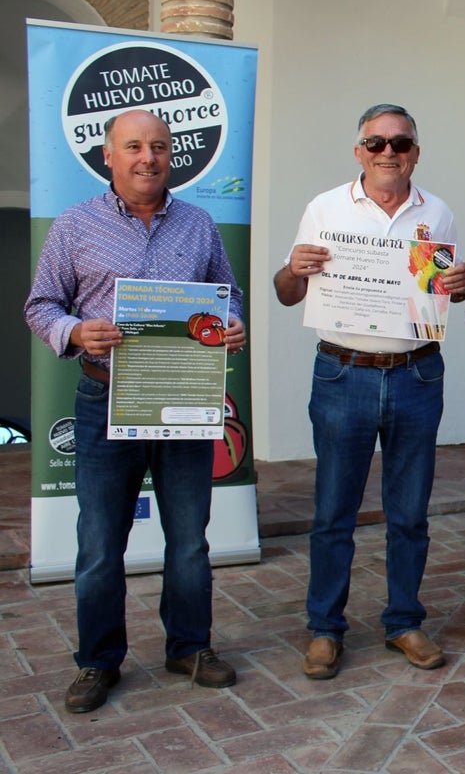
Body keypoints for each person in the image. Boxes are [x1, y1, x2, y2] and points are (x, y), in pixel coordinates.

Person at [24, 109, 246, 713]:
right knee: (99, 542)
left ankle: (190, 646)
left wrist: (233, 323)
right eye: (133, 146)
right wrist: (76, 331)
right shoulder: (74, 226)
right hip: (103, 399)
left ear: (171, 154)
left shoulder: (198, 224)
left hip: (181, 398)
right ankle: (97, 661)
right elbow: (41, 304)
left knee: (189, 539)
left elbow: (230, 294)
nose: (147, 157)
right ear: (109, 156)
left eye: (157, 146)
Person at [274, 103, 465, 679]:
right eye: (377, 142)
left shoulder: (437, 214)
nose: (390, 152)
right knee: (334, 509)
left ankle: (404, 622)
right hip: (344, 373)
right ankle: (324, 629)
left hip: (416, 372)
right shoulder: (325, 208)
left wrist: (459, 284)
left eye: (401, 143)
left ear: (416, 150)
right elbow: (288, 292)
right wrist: (294, 267)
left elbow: (448, 295)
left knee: (410, 512)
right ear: (359, 150)